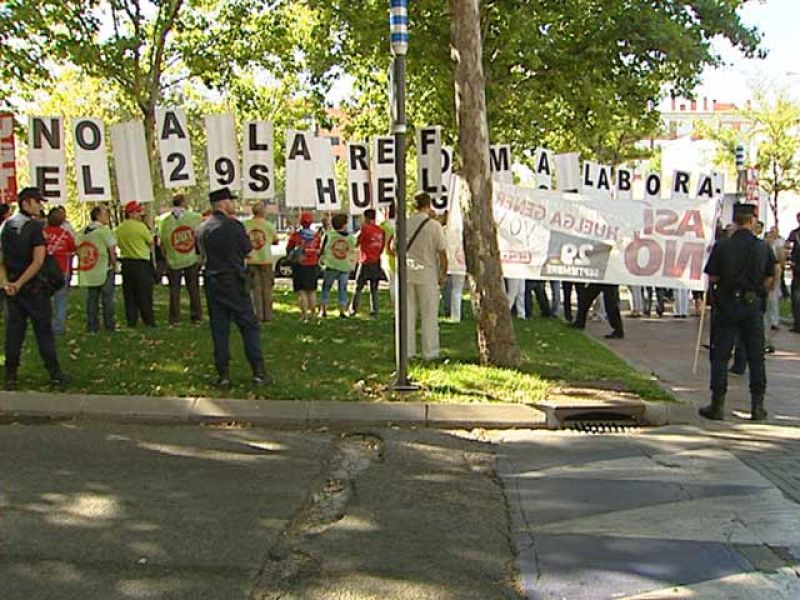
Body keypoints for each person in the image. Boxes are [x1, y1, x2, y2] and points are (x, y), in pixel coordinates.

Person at [700, 203, 775, 421]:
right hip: (752, 305)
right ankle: (757, 405)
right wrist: (759, 288)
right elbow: (771, 274)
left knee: (720, 355)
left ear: (735, 220)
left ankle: (717, 404)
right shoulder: (762, 247)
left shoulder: (723, 246)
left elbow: (712, 276)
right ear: (752, 220)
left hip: (726, 305)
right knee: (756, 357)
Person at [197, 187, 271, 387]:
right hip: (234, 281)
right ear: (223, 203)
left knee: (219, 329)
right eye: (230, 200)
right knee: (249, 326)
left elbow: (200, 254)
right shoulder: (234, 226)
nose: (233, 204)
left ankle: (223, 374)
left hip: (213, 281)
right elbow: (248, 252)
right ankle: (258, 371)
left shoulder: (202, 228)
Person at [0, 187, 67, 390]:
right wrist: (21, 283)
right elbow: (38, 262)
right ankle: (55, 373)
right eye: (38, 202)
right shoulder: (34, 228)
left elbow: (1, 260)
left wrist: (7, 284)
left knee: (14, 333)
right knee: (43, 332)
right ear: (27, 203)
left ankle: (10, 374)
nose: (41, 206)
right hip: (34, 288)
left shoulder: (5, 226)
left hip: (12, 288)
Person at [405, 192, 448, 361]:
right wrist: (443, 274)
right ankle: (430, 352)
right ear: (429, 205)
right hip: (427, 273)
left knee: (407, 314)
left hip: (407, 272)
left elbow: (393, 247)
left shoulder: (405, 223)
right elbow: (443, 254)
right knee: (429, 315)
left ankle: (407, 351)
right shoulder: (434, 226)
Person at [157, 194, 202, 325]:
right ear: (184, 203)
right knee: (193, 288)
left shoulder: (164, 221)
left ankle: (175, 318)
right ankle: (196, 316)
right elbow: (199, 236)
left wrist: (165, 256)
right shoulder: (193, 217)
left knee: (174, 290)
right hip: (190, 258)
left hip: (173, 259)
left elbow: (162, 242)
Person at [76, 205, 117, 333]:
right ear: (98, 215)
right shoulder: (104, 231)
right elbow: (111, 249)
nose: (108, 217)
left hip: (89, 269)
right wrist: (114, 264)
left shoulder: (82, 232)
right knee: (107, 298)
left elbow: (77, 247)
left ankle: (92, 326)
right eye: (106, 214)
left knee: (92, 299)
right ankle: (109, 325)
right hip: (104, 268)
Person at [115, 201, 156, 327]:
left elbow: (116, 243)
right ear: (131, 213)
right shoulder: (140, 227)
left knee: (129, 294)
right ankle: (148, 320)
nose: (140, 214)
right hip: (141, 263)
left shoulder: (119, 229)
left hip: (127, 263)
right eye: (138, 212)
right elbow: (150, 242)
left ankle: (131, 320)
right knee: (144, 293)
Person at [244, 201, 279, 322]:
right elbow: (275, 240)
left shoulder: (245, 224)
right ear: (263, 212)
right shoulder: (269, 225)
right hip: (265, 259)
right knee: (267, 289)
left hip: (251, 259)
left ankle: (257, 314)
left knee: (255, 290)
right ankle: (268, 315)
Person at [43, 207, 76, 335]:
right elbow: (73, 247)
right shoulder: (65, 234)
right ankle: (58, 327)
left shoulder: (42, 233)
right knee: (60, 299)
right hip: (62, 269)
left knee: (44, 299)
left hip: (44, 270)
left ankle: (43, 325)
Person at [349, 208, 385, 317]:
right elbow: (382, 246)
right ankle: (375, 310)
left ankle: (353, 309)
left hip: (365, 261)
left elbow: (356, 242)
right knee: (374, 289)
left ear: (366, 218)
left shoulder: (365, 229)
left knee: (358, 287)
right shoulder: (380, 230)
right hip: (376, 261)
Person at [286, 212, 322, 321]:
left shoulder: (296, 236)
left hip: (300, 265)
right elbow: (319, 250)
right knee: (312, 291)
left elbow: (289, 249)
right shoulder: (316, 236)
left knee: (302, 291)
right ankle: (313, 314)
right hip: (313, 265)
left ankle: (304, 315)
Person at [319, 213, 355, 319]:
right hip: (345, 266)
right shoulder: (350, 238)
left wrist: (321, 258)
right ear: (344, 224)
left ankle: (323, 310)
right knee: (342, 289)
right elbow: (353, 248)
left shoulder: (328, 235)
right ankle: (342, 311)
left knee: (326, 288)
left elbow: (322, 247)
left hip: (331, 265)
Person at [381, 203, 397, 308]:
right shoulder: (403, 223)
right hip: (399, 255)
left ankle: (394, 302)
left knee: (392, 282)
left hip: (387, 256)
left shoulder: (384, 225)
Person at [789, 211, 800, 333]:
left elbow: (787, 248)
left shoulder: (794, 233)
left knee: (796, 298)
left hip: (797, 269)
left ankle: (798, 324)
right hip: (796, 270)